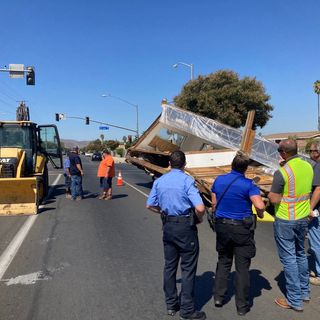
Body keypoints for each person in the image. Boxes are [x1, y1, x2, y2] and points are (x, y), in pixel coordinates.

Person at [146, 150, 206, 320]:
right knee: (187, 269)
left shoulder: (160, 181)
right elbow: (200, 208)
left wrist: (163, 213)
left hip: (168, 226)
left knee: (170, 266)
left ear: (170, 164)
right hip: (185, 227)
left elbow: (150, 205)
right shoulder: (187, 181)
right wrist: (198, 219)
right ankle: (187, 310)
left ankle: (171, 305)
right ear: (185, 165)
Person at [211, 151, 265, 316]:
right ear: (245, 169)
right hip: (241, 230)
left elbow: (214, 203)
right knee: (242, 268)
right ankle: (241, 306)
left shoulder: (219, 180)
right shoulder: (249, 185)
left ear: (232, 165)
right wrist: (260, 214)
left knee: (224, 262)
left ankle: (219, 297)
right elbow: (260, 206)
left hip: (222, 227)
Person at [268, 139, 313, 312]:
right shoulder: (308, 166)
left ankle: (294, 300)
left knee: (289, 259)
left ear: (284, 153)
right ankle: (304, 292)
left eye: (280, 151)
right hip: (302, 217)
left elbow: (273, 198)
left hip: (286, 219)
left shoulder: (282, 173)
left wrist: (281, 198)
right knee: (300, 254)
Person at [308, 141, 320, 286]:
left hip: (318, 211)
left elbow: (318, 189)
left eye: (311, 151)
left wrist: (310, 209)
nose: (310, 153)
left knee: (316, 242)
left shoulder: (318, 166)